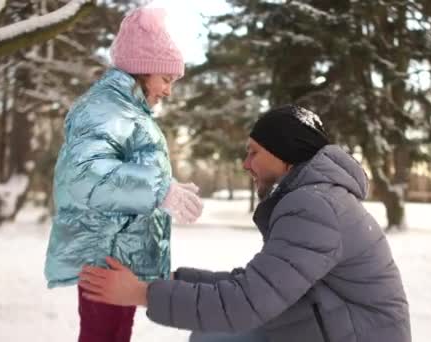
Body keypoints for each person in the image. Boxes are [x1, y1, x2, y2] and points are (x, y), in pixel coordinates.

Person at [79, 105, 411, 342]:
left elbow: (245, 302)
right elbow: (259, 285)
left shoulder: (315, 206)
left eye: (254, 153)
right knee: (213, 336)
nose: (245, 163)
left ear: (285, 154)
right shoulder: (315, 198)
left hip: (353, 334)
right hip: (329, 325)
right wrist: (169, 280)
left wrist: (142, 293)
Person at [43, 6, 203, 342]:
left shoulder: (126, 110)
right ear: (144, 70)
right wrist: (160, 190)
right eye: (167, 79)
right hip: (105, 255)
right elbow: (88, 175)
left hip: (121, 254)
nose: (168, 91)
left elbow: (122, 172)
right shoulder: (105, 108)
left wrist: (167, 187)